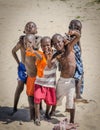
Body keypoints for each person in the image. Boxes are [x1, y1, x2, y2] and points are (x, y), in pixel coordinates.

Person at [11, 21, 41, 115]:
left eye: (32, 26)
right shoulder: (21, 42)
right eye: (27, 26)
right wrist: (18, 63)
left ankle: (40, 108)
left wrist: (38, 37)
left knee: (36, 89)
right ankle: (15, 107)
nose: (29, 27)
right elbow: (13, 51)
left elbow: (41, 39)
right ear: (24, 30)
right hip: (23, 68)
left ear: (36, 31)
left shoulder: (38, 41)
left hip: (33, 69)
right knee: (20, 87)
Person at [50, 31, 81, 123]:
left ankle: (72, 120)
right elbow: (51, 63)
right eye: (54, 43)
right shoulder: (56, 54)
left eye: (59, 41)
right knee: (56, 98)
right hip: (62, 81)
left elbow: (78, 37)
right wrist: (53, 57)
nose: (57, 44)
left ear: (63, 41)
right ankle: (52, 111)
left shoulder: (69, 47)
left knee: (71, 102)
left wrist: (74, 32)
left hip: (71, 81)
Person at [34, 36, 57, 126]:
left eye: (47, 45)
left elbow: (50, 65)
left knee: (49, 101)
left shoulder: (55, 54)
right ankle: (37, 117)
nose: (45, 47)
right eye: (43, 46)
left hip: (50, 83)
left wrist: (49, 57)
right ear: (40, 46)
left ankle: (47, 113)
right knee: (37, 99)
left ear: (51, 45)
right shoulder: (40, 54)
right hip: (39, 82)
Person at [24, 34, 42, 121]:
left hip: (37, 79)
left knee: (37, 100)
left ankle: (37, 117)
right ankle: (31, 117)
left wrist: (34, 51)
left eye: (30, 42)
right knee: (30, 99)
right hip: (29, 79)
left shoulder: (35, 52)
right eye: (26, 43)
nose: (28, 44)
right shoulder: (26, 51)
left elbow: (41, 58)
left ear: (34, 43)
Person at [67, 19, 84, 101]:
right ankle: (78, 95)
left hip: (76, 59)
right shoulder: (73, 35)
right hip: (74, 60)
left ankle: (75, 96)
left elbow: (79, 47)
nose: (79, 31)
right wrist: (74, 32)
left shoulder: (73, 36)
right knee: (79, 76)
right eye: (79, 29)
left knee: (75, 78)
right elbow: (78, 35)